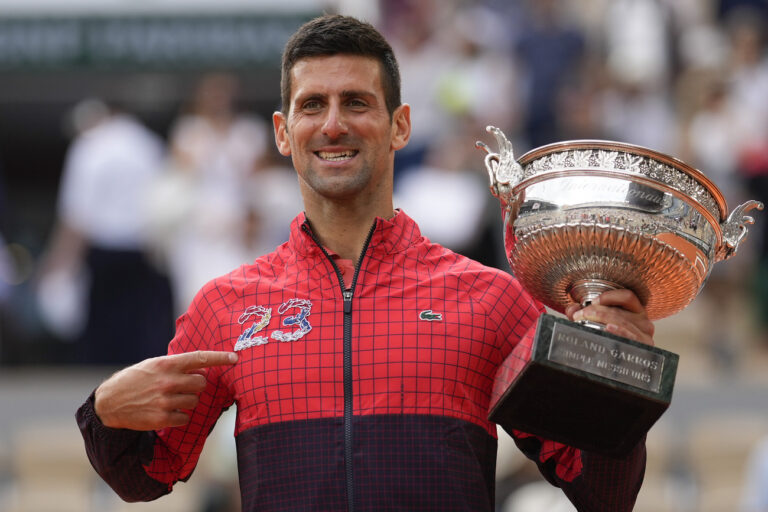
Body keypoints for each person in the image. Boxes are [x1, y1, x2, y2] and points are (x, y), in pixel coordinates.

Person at [76, 14, 655, 511]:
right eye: (312, 106)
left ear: (400, 124)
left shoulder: (492, 300)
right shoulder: (227, 306)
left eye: (356, 102)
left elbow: (601, 493)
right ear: (283, 132)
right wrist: (104, 412)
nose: (333, 124)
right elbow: (142, 477)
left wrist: (619, 375)